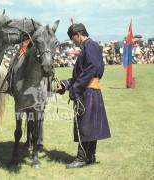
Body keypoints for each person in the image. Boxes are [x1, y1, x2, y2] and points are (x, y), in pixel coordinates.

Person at [56, 22, 111, 168]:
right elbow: (82, 74)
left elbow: (91, 69)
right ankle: (90, 156)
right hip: (89, 90)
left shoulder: (91, 45)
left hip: (88, 92)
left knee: (85, 125)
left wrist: (76, 89)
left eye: (73, 38)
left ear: (78, 35)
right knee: (90, 124)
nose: (73, 42)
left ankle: (81, 158)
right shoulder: (89, 47)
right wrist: (65, 84)